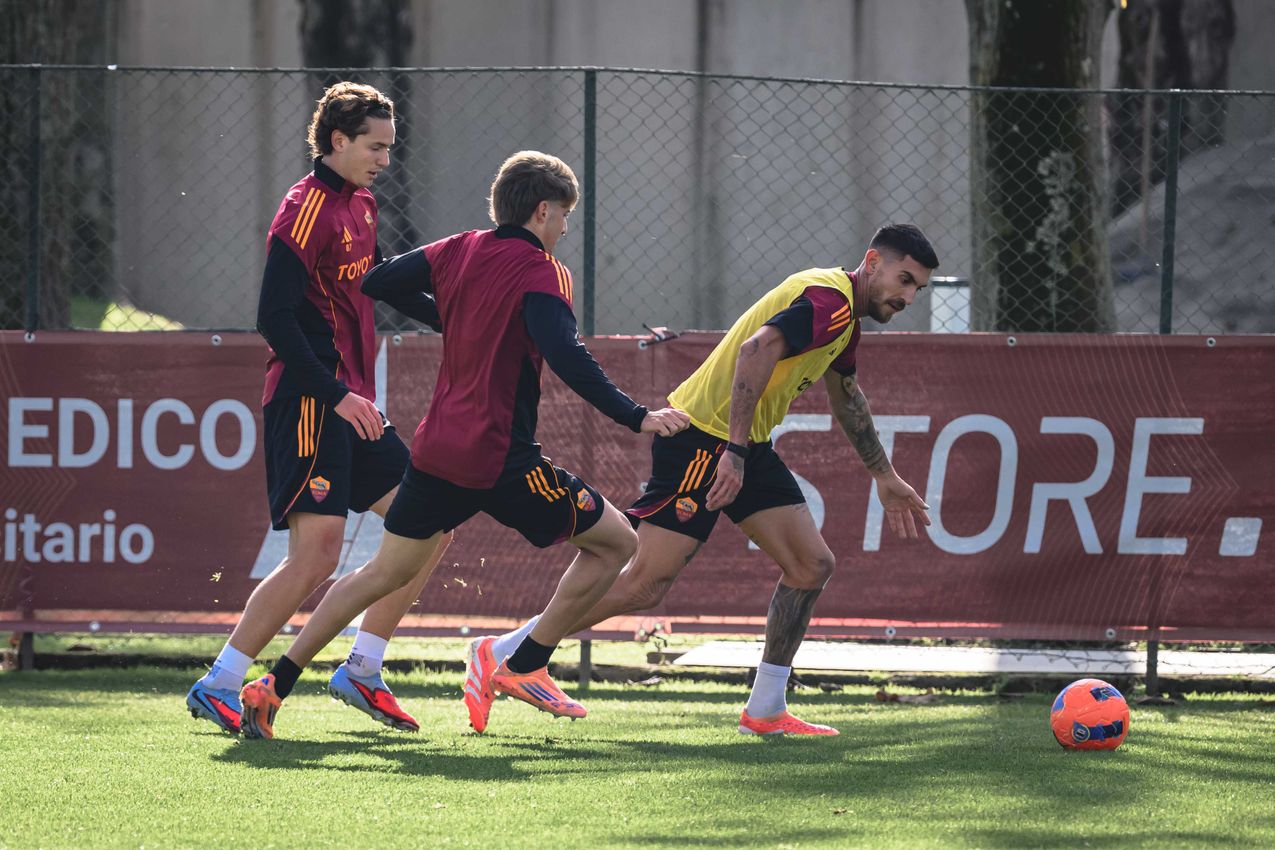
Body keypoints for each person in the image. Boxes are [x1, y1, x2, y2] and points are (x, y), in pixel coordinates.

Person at [237, 150, 690, 740]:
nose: (564, 230)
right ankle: (523, 664)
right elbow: (567, 356)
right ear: (542, 211)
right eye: (564, 218)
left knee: (380, 573)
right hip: (501, 458)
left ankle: (274, 685)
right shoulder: (543, 271)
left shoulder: (460, 248)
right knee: (617, 543)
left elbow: (376, 279)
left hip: (435, 453)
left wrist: (455, 310)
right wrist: (638, 417)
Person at [468, 224, 939, 736]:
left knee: (810, 565)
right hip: (704, 441)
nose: (910, 296)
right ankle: (507, 652)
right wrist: (734, 451)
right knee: (645, 584)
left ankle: (765, 709)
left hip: (743, 444)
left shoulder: (843, 317)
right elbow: (757, 350)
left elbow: (846, 394)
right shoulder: (833, 301)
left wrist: (884, 476)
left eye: (919, 287)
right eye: (905, 279)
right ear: (872, 262)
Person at [185, 81, 451, 736]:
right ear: (338, 140)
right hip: (310, 400)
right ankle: (219, 682)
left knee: (433, 522)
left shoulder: (359, 204)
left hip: (349, 402)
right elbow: (273, 318)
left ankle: (361, 668)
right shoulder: (302, 209)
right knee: (316, 556)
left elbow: (375, 280)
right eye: (375, 146)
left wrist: (460, 317)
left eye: (390, 146)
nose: (385, 160)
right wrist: (335, 394)